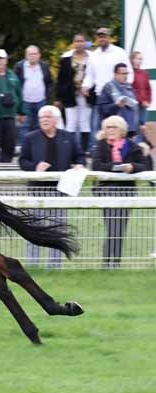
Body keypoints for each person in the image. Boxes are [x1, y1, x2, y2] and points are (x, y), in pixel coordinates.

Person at [19, 105, 85, 267]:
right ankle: (33, 264)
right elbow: (22, 161)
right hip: (38, 190)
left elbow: (80, 156)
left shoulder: (68, 137)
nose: (44, 120)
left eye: (48, 117)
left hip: (61, 190)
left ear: (56, 120)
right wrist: (35, 166)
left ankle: (55, 265)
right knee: (35, 228)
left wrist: (79, 165)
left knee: (58, 228)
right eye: (42, 118)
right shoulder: (30, 137)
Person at [92, 115, 150, 268]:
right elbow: (96, 165)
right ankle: (107, 263)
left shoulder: (132, 146)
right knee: (112, 227)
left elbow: (144, 165)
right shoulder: (100, 145)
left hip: (126, 192)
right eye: (107, 127)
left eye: (114, 127)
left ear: (122, 130)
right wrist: (115, 166)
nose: (110, 130)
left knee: (119, 229)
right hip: (106, 192)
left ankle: (114, 263)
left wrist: (132, 167)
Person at [82, 27, 133, 139]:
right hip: (100, 95)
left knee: (119, 126)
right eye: (100, 37)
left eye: (104, 36)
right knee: (96, 126)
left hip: (117, 96)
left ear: (109, 37)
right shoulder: (93, 55)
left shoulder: (119, 52)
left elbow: (129, 72)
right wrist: (85, 86)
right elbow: (90, 75)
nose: (102, 39)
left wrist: (126, 89)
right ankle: (96, 152)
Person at [57, 33, 94, 154]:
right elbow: (61, 79)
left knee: (84, 123)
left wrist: (89, 88)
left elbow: (94, 75)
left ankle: (83, 151)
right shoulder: (66, 58)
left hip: (86, 95)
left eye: (81, 41)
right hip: (70, 95)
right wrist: (59, 98)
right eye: (77, 41)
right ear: (73, 43)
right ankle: (69, 150)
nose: (79, 43)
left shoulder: (92, 57)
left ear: (85, 43)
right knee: (71, 123)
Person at [14, 45, 54, 142]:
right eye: (30, 54)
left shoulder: (44, 66)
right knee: (25, 126)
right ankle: (24, 149)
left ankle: (38, 147)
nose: (33, 56)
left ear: (39, 55)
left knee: (40, 125)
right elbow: (15, 85)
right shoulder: (20, 67)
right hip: (25, 101)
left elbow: (50, 82)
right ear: (26, 56)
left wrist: (47, 96)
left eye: (35, 54)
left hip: (41, 101)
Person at [98, 63, 138, 134]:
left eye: (126, 73)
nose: (125, 76)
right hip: (116, 130)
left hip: (131, 128)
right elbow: (102, 108)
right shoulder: (108, 87)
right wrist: (116, 106)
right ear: (115, 74)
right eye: (123, 74)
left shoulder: (129, 86)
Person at [130, 51, 151, 128]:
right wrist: (141, 101)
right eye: (138, 59)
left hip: (144, 105)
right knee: (134, 127)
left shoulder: (144, 73)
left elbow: (148, 88)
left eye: (141, 59)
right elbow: (132, 89)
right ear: (132, 59)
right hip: (134, 105)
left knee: (142, 127)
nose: (140, 61)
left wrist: (148, 100)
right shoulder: (130, 73)